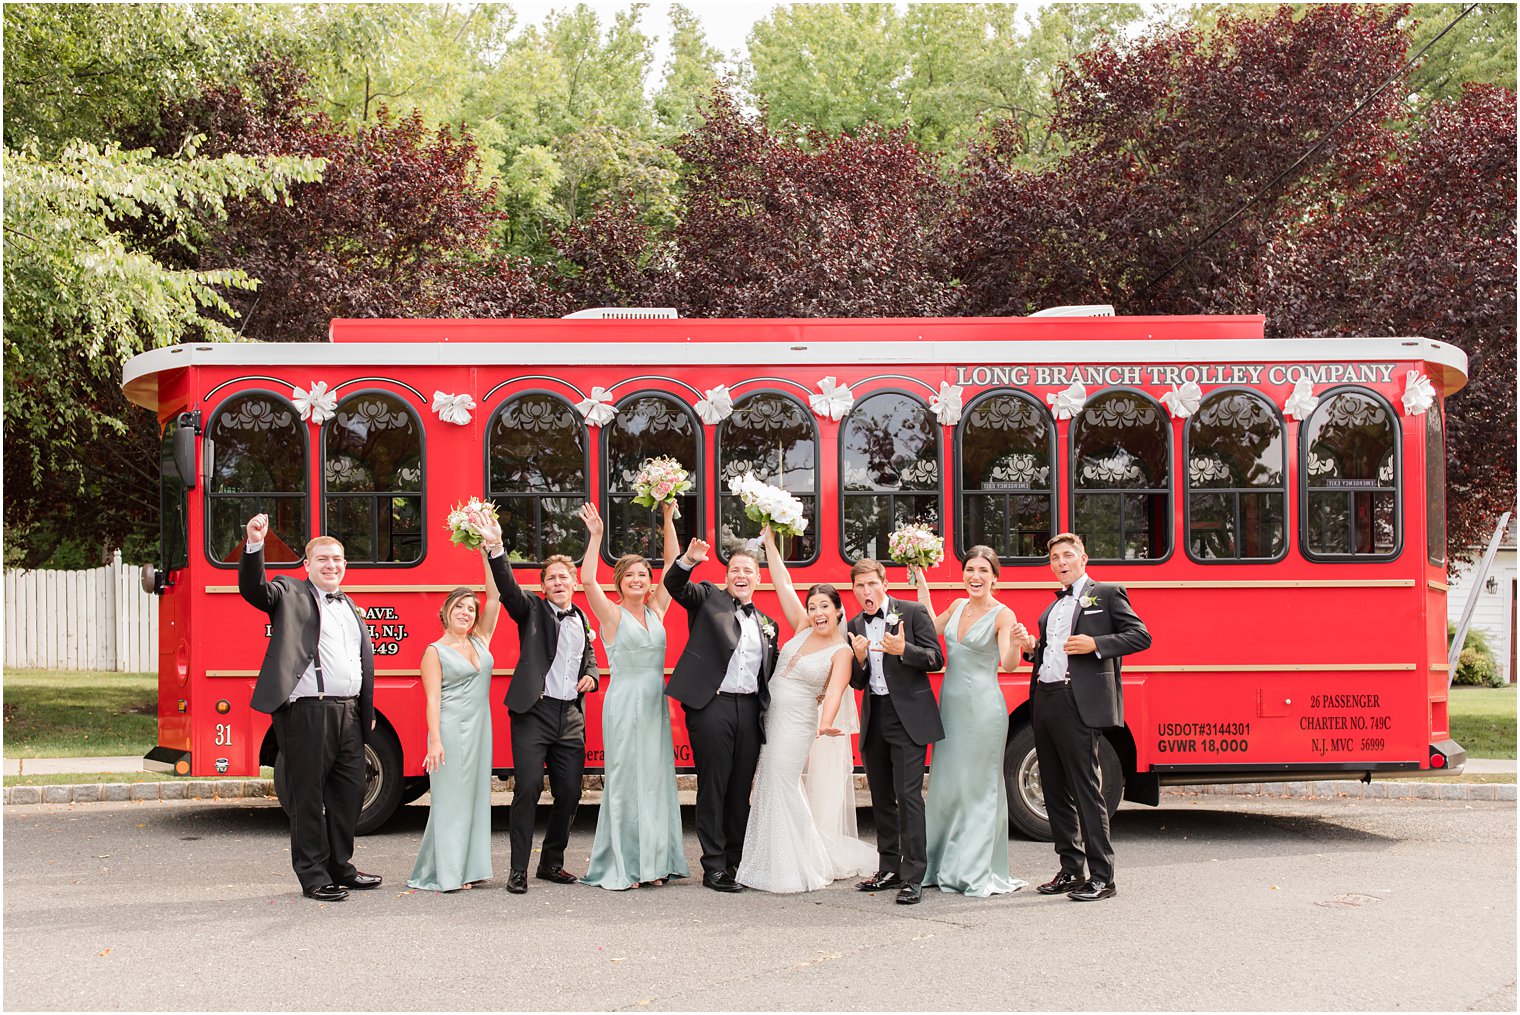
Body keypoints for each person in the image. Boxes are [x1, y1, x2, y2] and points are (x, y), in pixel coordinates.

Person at [238, 514, 379, 902]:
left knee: (349, 794)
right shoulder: (289, 593)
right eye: (322, 560)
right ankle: (313, 875)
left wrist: (364, 710)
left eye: (337, 559)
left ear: (345, 565)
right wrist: (255, 544)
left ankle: (340, 866)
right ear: (307, 565)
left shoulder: (350, 605)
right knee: (307, 796)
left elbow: (360, 662)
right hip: (307, 712)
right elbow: (254, 590)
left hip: (349, 713)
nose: (331, 565)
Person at [734, 529, 875, 892]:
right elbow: (782, 583)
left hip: (799, 725)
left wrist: (826, 724)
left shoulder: (842, 651)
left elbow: (834, 692)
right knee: (767, 783)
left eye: (824, 607)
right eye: (812, 607)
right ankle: (767, 860)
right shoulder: (801, 627)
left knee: (782, 782)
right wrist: (768, 545)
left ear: (839, 611)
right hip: (771, 720)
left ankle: (802, 865)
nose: (816, 612)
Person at [1013, 532, 1151, 902]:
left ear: (1083, 558)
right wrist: (1031, 650)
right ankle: (1071, 870)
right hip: (1045, 698)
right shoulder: (1051, 609)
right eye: (1055, 557)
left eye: (1067, 555)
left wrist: (1096, 645)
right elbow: (1050, 654)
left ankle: (1103, 877)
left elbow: (1141, 636)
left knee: (1086, 790)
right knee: (1054, 789)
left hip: (1079, 700)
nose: (1061, 562)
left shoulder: (1106, 594)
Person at [576, 501, 689, 890]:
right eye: (631, 576)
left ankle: (655, 863)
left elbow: (675, 565)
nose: (638, 580)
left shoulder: (658, 609)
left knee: (656, 778)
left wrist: (668, 520)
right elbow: (587, 581)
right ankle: (626, 864)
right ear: (621, 581)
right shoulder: (611, 615)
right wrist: (595, 537)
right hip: (624, 703)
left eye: (644, 574)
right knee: (626, 779)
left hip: (655, 702)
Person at [664, 536, 780, 892]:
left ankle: (735, 861)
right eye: (734, 570)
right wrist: (688, 559)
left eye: (748, 570)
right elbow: (674, 586)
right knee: (713, 787)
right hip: (711, 705)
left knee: (739, 789)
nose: (740, 575)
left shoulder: (767, 623)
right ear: (726, 576)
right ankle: (713, 866)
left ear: (758, 579)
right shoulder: (707, 598)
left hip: (748, 709)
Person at [914, 546, 1029, 897]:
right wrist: (920, 580)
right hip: (950, 706)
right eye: (969, 570)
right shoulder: (957, 606)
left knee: (979, 788)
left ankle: (974, 870)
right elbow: (926, 628)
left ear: (995, 576)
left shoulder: (1002, 614)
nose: (974, 577)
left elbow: (1008, 664)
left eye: (983, 570)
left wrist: (1019, 645)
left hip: (983, 710)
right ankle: (936, 865)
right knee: (947, 785)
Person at [491, 537, 600, 894]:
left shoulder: (582, 617)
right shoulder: (532, 611)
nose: (557, 583)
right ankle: (517, 869)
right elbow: (507, 589)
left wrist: (592, 675)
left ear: (573, 582)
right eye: (551, 578)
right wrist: (497, 550)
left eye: (563, 577)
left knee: (570, 792)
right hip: (533, 713)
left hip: (569, 715)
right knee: (529, 789)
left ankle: (551, 862)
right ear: (543, 585)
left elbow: (588, 656)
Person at [406, 517, 507, 893]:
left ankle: (469, 867)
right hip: (450, 729)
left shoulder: (481, 639)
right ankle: (446, 872)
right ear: (446, 611)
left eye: (470, 607)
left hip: (480, 729)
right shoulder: (434, 651)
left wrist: (487, 550)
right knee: (450, 801)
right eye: (460, 607)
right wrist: (435, 740)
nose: (467, 612)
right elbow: (432, 700)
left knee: (476, 799)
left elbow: (495, 595)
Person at [846, 558, 945, 905]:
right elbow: (858, 683)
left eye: (872, 584)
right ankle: (889, 868)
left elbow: (936, 659)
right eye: (859, 586)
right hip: (876, 715)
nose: (866, 591)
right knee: (881, 797)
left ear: (884, 584)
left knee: (908, 797)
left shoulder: (913, 612)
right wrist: (858, 660)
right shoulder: (855, 623)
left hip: (908, 717)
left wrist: (905, 650)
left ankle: (914, 875)